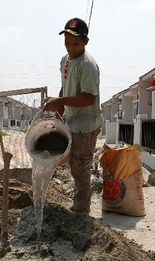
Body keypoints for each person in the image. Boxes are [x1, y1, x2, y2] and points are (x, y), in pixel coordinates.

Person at [44, 17, 101, 214]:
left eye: (75, 43)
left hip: (86, 124)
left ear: (85, 42)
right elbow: (64, 88)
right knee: (71, 164)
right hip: (72, 121)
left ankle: (81, 213)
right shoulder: (65, 61)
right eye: (66, 42)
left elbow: (88, 99)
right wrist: (58, 116)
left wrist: (59, 102)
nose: (70, 47)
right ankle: (78, 205)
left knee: (80, 168)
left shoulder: (88, 66)